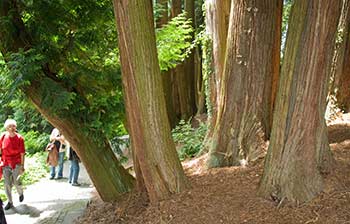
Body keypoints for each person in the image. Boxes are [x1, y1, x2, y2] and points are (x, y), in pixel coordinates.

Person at [0, 119, 25, 210]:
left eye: (13, 126)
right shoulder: (3, 137)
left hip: (17, 163)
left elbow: (22, 153)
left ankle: (20, 193)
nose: (11, 128)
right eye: (9, 126)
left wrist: (22, 166)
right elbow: (1, 150)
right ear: (6, 128)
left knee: (16, 181)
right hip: (6, 163)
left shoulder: (20, 138)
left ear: (16, 127)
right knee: (7, 184)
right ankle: (10, 202)